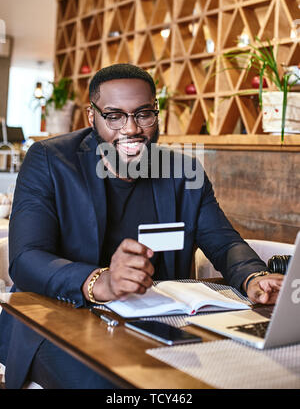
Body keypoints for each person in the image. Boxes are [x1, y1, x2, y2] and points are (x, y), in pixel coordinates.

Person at [0, 64, 284, 389]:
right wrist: (98, 281)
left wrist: (255, 277)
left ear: (156, 114)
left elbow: (223, 241)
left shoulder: (182, 172)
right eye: (114, 116)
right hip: (55, 320)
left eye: (143, 114)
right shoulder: (51, 161)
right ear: (91, 116)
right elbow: (25, 258)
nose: (131, 128)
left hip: (157, 324)